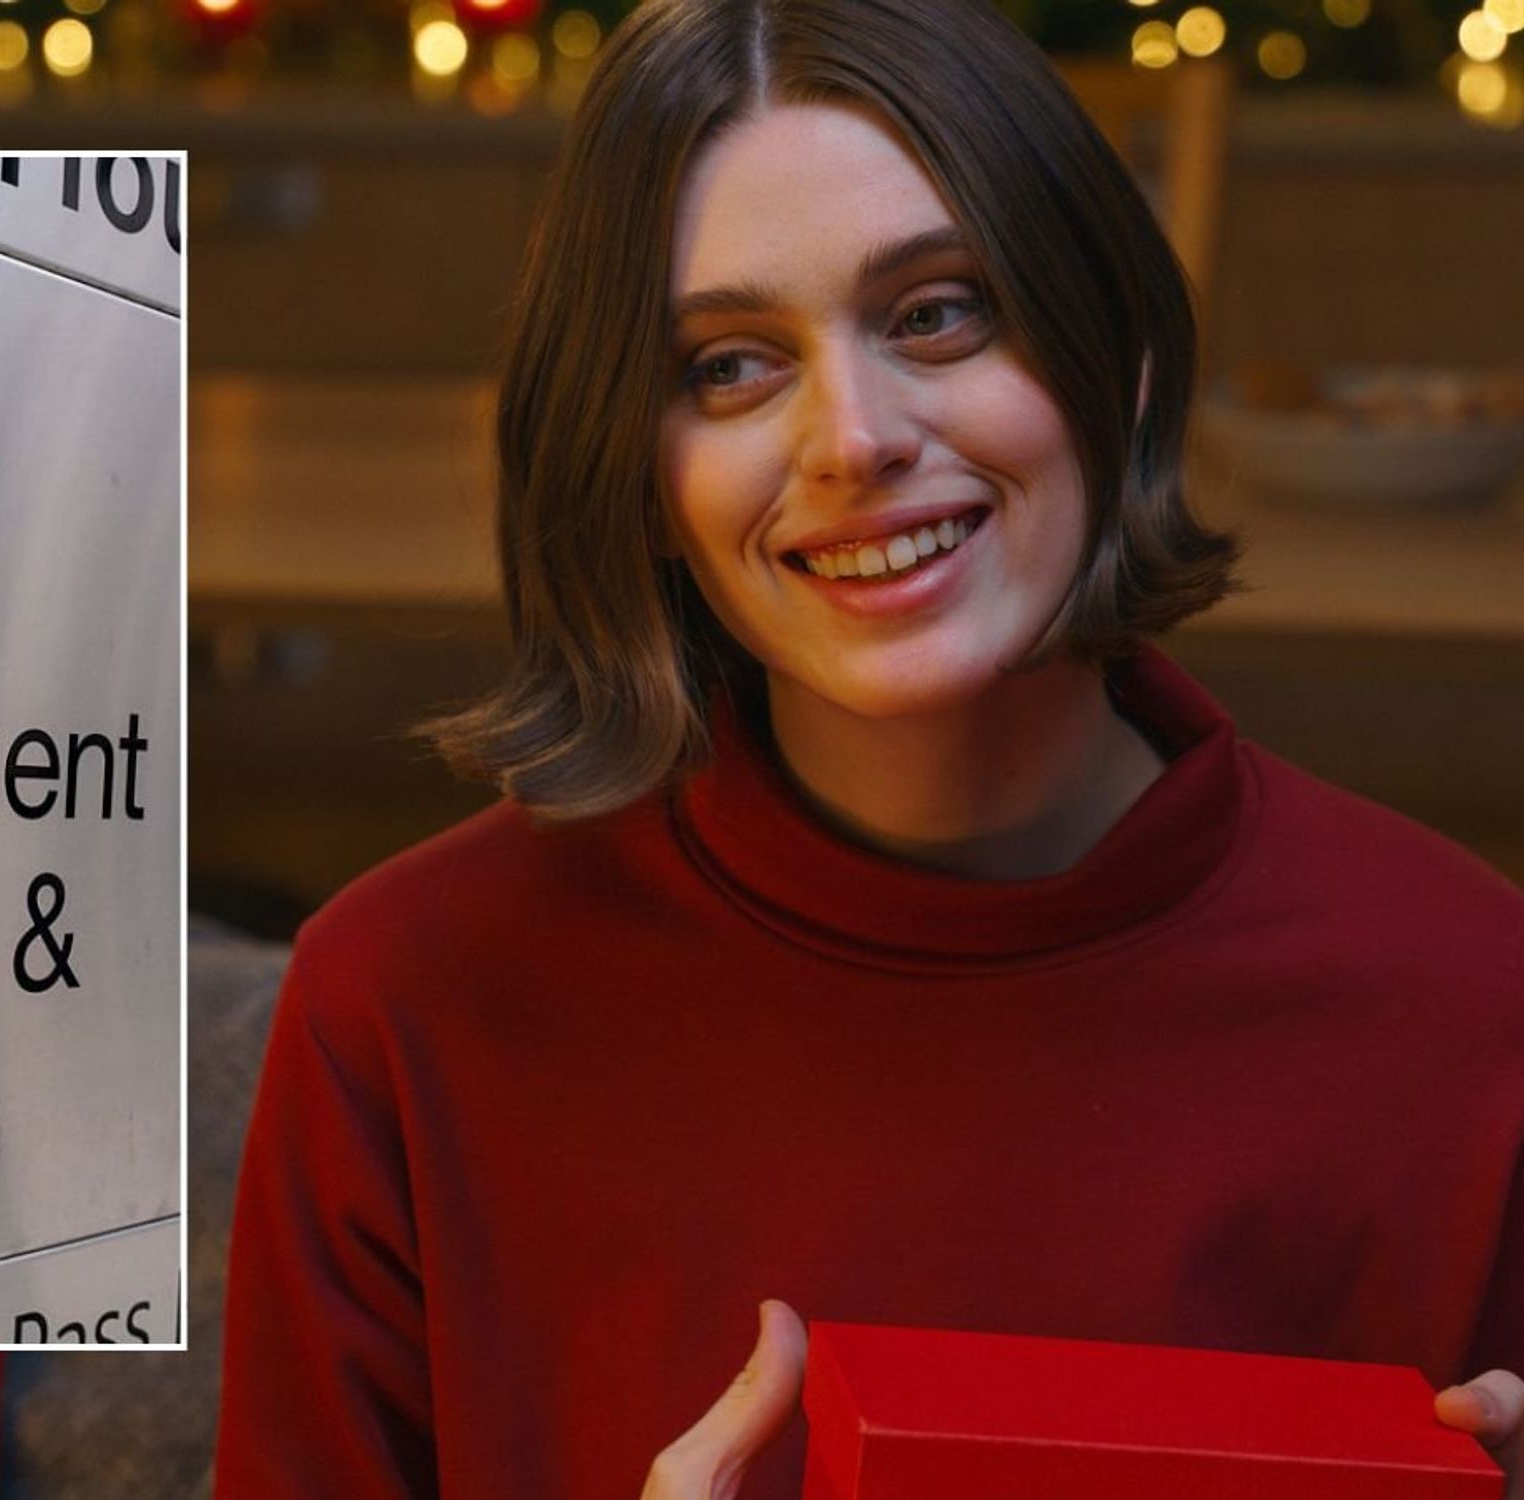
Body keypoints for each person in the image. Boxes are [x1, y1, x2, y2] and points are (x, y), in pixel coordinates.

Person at [214, 0, 1524, 1495]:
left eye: (936, 313)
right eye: (727, 365)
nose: (852, 439)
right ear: (638, 476)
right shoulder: (405, 1006)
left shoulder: (1475, 1008)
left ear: (1122, 357)